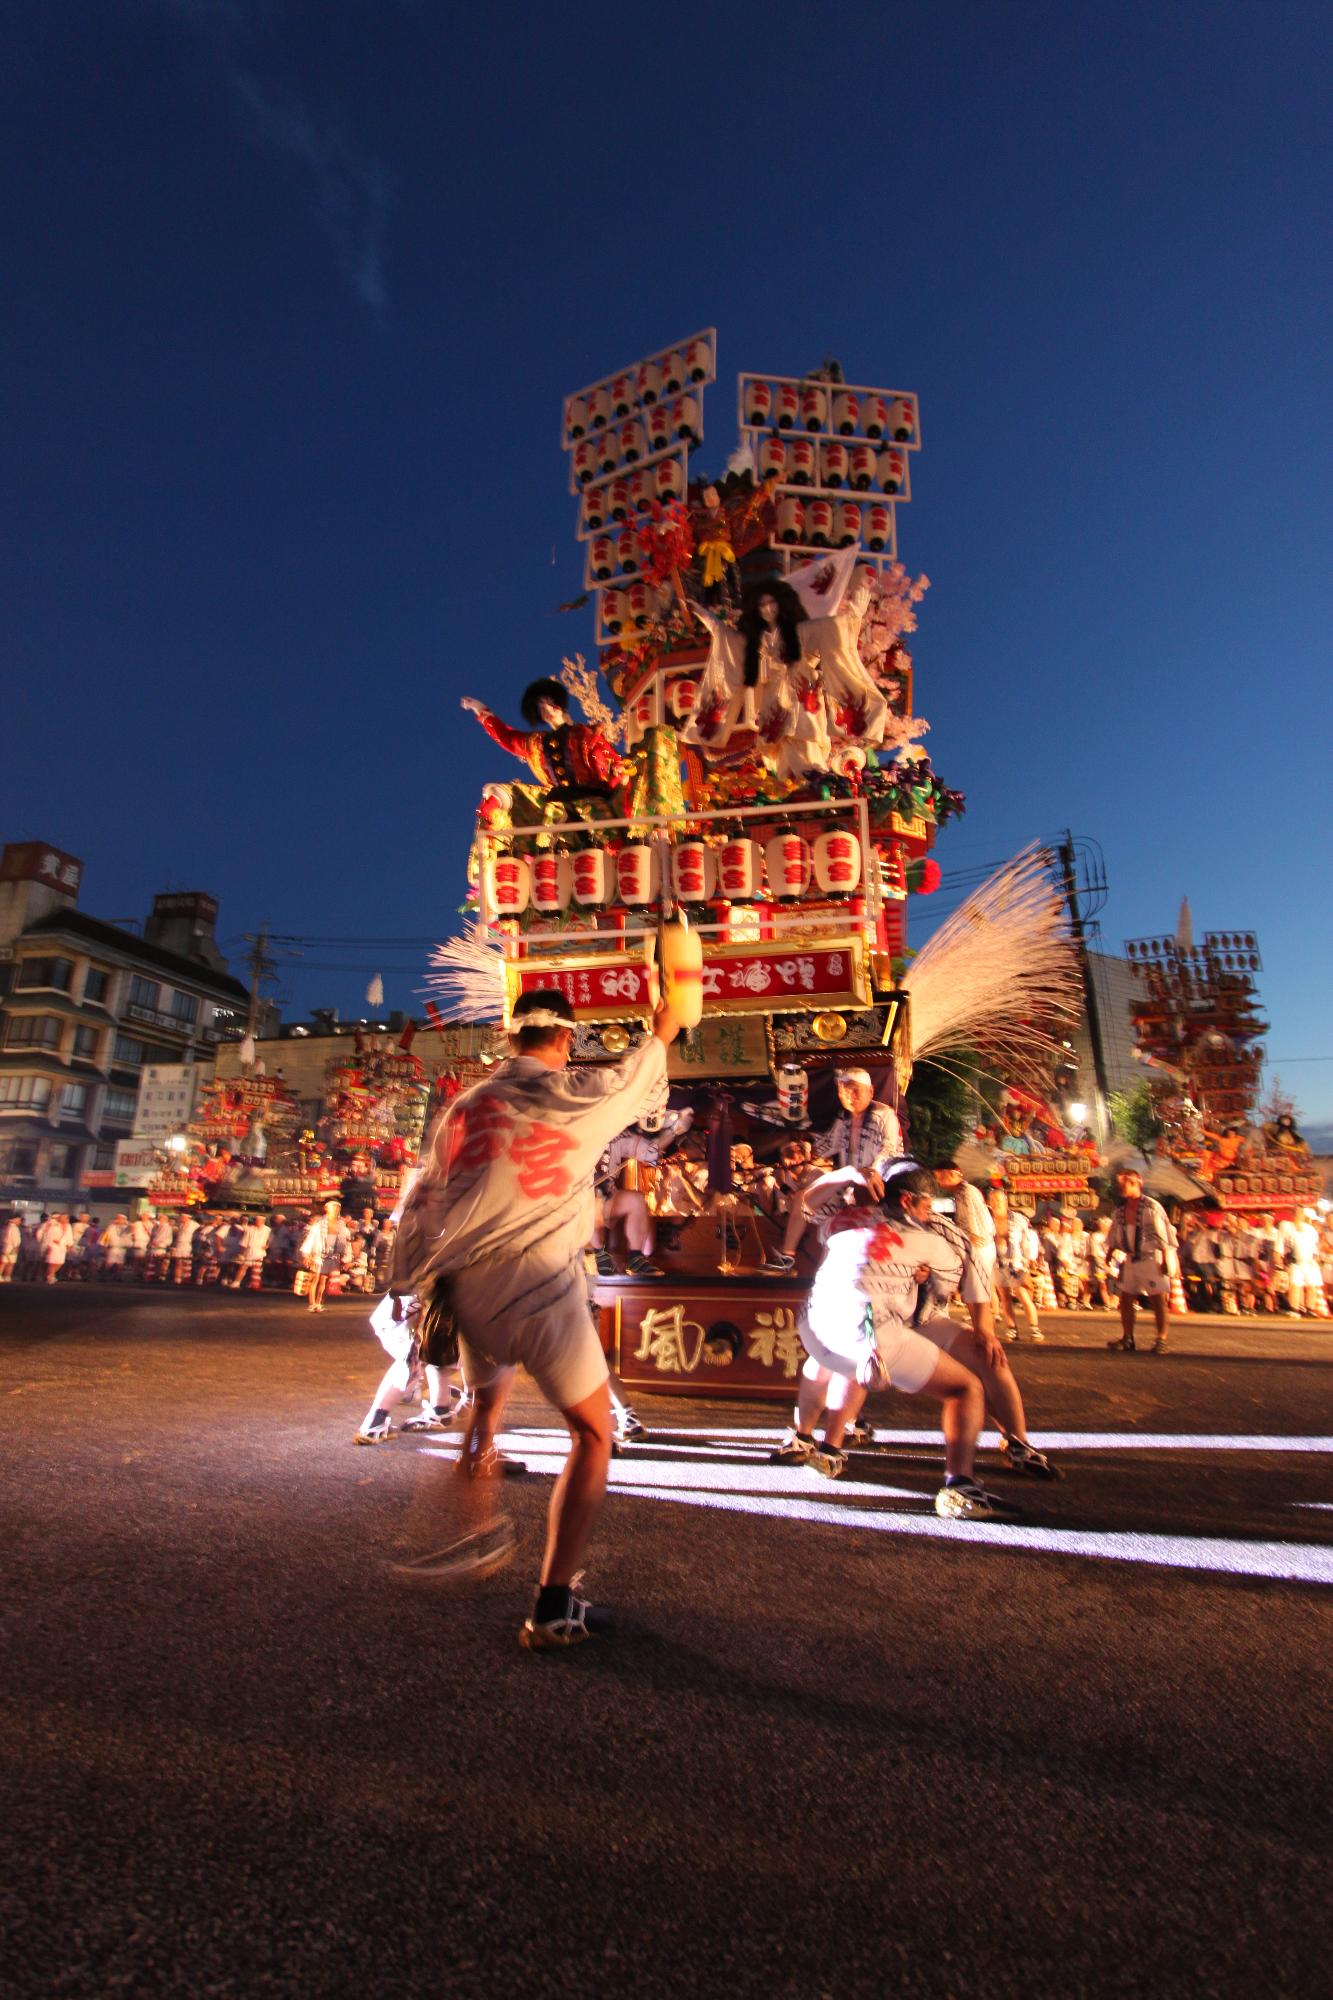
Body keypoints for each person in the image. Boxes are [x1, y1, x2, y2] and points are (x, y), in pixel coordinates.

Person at [388, 986, 681, 1650]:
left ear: (508, 1035)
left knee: (486, 1412)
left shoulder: (466, 1105)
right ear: (566, 1039)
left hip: (464, 1290)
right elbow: (638, 1077)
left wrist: (405, 1282)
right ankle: (551, 1604)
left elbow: (423, 1195)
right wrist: (662, 1027)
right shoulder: (573, 1091)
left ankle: (466, 1523)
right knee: (593, 1434)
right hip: (537, 1284)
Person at [773, 1169, 1023, 1518]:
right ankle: (960, 1488)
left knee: (846, 1366)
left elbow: (806, 1206)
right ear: (907, 1201)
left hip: (814, 1327)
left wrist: (847, 1177)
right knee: (966, 1388)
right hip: (872, 1333)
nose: (929, 1213)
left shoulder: (845, 1226)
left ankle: (826, 1449)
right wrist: (924, 1274)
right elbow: (954, 1280)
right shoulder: (931, 1238)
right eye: (926, 1206)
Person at [763, 1069, 902, 1273]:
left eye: (855, 1091)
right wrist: (801, 1141)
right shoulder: (843, 1118)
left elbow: (891, 1149)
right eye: (843, 1092)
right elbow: (828, 1144)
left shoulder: (885, 1114)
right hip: (847, 1188)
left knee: (840, 1238)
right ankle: (787, 1256)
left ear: (871, 1091)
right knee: (803, 1199)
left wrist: (872, 1171)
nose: (849, 1097)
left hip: (876, 1188)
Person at [460, 678, 626, 803]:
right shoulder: (536, 743)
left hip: (593, 798)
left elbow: (611, 760)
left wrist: (617, 774)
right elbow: (507, 738)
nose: (546, 710)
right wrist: (481, 710)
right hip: (557, 802)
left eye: (549, 704)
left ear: (559, 705)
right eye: (540, 708)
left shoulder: (585, 733)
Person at [591, 1103, 692, 1280]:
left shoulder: (617, 1135)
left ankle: (636, 1257)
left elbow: (649, 1150)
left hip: (608, 1194)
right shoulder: (578, 1130)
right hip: (578, 1200)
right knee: (591, 1203)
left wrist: (674, 1131)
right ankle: (599, 1255)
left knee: (635, 1200)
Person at [1106, 1168, 1175, 1353]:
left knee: (1157, 1299)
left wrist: (1167, 1258)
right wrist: (1111, 1251)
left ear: (1134, 1183)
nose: (1120, 1188)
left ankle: (1161, 1339)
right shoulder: (1121, 1209)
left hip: (1151, 1258)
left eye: (1123, 1184)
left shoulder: (1152, 1207)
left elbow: (1164, 1234)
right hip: (1130, 1259)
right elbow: (1115, 1232)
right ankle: (1127, 1338)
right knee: (1126, 1298)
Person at [988, 1188, 1045, 1340]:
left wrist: (1030, 1258)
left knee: (1023, 1294)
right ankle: (1012, 1327)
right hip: (997, 1263)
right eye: (993, 1200)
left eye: (999, 1200)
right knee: (1005, 1297)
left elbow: (1029, 1238)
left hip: (1016, 1262)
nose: (996, 1203)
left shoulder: (1017, 1218)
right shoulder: (987, 1219)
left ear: (1005, 1202)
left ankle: (1034, 1327)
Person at [301, 1199, 349, 1312]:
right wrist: (306, 1254)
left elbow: (344, 1242)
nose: (336, 1210)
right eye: (334, 1208)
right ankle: (312, 1304)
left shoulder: (341, 1225)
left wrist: (345, 1258)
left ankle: (320, 1302)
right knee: (315, 1279)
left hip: (332, 1256)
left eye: (338, 1208)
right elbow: (311, 1239)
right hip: (319, 1255)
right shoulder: (319, 1224)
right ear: (327, 1209)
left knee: (325, 1280)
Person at [170, 1210, 199, 1285]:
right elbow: (177, 1237)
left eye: (182, 1217)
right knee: (178, 1262)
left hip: (188, 1245)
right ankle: (177, 1278)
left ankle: (186, 1278)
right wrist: (174, 1247)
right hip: (179, 1245)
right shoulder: (180, 1225)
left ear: (187, 1217)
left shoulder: (195, 1225)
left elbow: (198, 1235)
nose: (181, 1218)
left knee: (186, 1262)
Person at [0, 1213, 21, 1283]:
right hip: (11, 1247)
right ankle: (6, 1276)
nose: (19, 1222)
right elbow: (16, 1240)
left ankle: (5, 1276)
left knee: (4, 1262)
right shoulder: (14, 1228)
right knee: (9, 1263)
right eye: (19, 1220)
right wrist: (16, 1248)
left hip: (5, 1246)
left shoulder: (5, 1227)